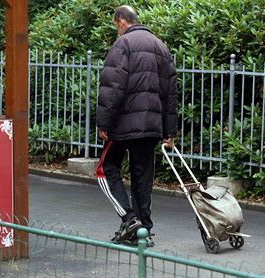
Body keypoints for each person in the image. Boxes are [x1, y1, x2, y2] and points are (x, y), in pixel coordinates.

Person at [96, 5, 178, 246]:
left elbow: (113, 87)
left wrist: (104, 122)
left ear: (121, 21)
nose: (116, 30)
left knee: (106, 168)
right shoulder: (161, 46)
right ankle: (144, 230)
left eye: (115, 25)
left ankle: (129, 219)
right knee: (142, 176)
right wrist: (169, 130)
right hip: (151, 126)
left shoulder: (123, 45)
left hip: (123, 125)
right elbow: (170, 92)